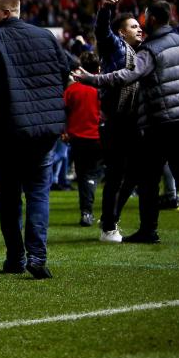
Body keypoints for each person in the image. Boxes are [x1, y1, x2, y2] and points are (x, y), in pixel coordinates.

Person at [75, 0, 179, 245]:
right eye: (133, 25)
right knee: (127, 175)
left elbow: (167, 41)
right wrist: (105, 11)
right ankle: (113, 226)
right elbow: (104, 33)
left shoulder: (149, 49)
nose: (139, 28)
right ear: (121, 33)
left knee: (143, 175)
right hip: (127, 122)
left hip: (153, 121)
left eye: (141, 22)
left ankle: (142, 228)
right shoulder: (120, 47)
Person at [0, 0, 69, 280]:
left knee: (8, 198)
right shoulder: (46, 37)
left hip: (6, 131)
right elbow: (64, 75)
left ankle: (16, 257)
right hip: (43, 131)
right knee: (38, 193)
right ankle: (38, 255)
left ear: (6, 13)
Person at [64, 51, 104, 228]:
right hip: (99, 137)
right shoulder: (102, 88)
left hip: (78, 138)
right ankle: (97, 208)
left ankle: (86, 211)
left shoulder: (72, 90)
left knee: (83, 175)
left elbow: (64, 111)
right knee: (96, 173)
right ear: (98, 68)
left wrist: (64, 131)